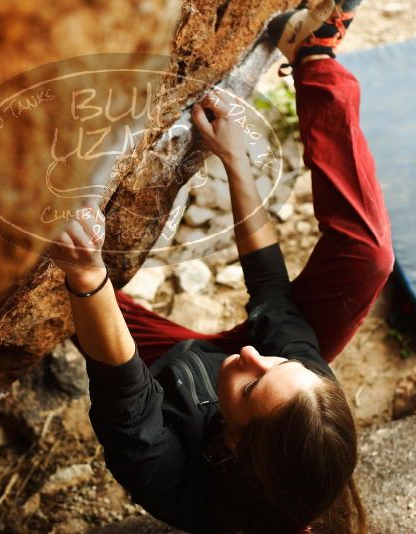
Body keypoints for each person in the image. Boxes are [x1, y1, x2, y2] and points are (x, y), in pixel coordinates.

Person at [49, 0, 393, 531]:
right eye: (282, 365)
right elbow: (272, 295)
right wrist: (237, 161)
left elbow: (125, 392)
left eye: (256, 384)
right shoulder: (304, 399)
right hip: (211, 373)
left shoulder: (171, 479)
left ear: (231, 446)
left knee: (58, 294)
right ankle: (314, 53)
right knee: (368, 259)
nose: (256, 354)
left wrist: (87, 279)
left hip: (158, 377)